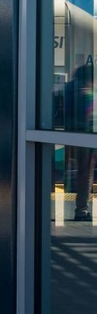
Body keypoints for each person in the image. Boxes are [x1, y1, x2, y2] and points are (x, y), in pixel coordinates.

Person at [64, 64, 95, 221]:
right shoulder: (87, 93)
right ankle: (81, 210)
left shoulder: (69, 89)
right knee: (85, 174)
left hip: (70, 135)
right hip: (87, 138)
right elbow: (92, 115)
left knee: (75, 172)